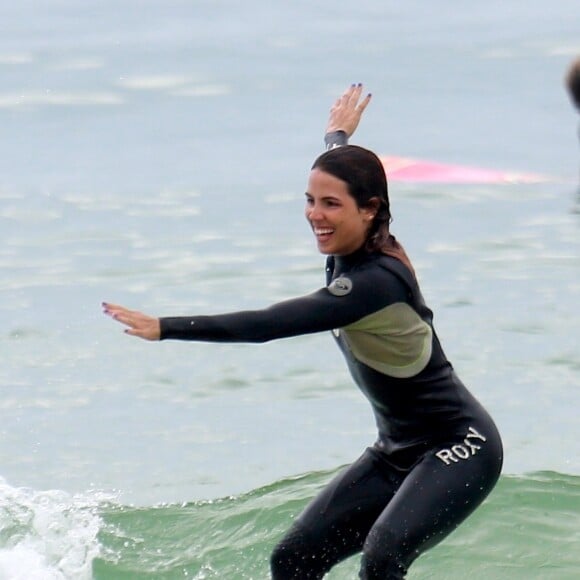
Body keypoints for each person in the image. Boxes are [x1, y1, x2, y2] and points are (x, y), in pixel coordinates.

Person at [103, 84, 503, 579]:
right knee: (293, 560)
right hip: (395, 450)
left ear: (371, 209)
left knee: (383, 557)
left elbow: (269, 324)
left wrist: (165, 327)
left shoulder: (375, 283)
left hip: (458, 447)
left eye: (330, 204)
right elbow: (340, 164)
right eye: (310, 200)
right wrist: (337, 135)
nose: (315, 214)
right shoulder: (352, 237)